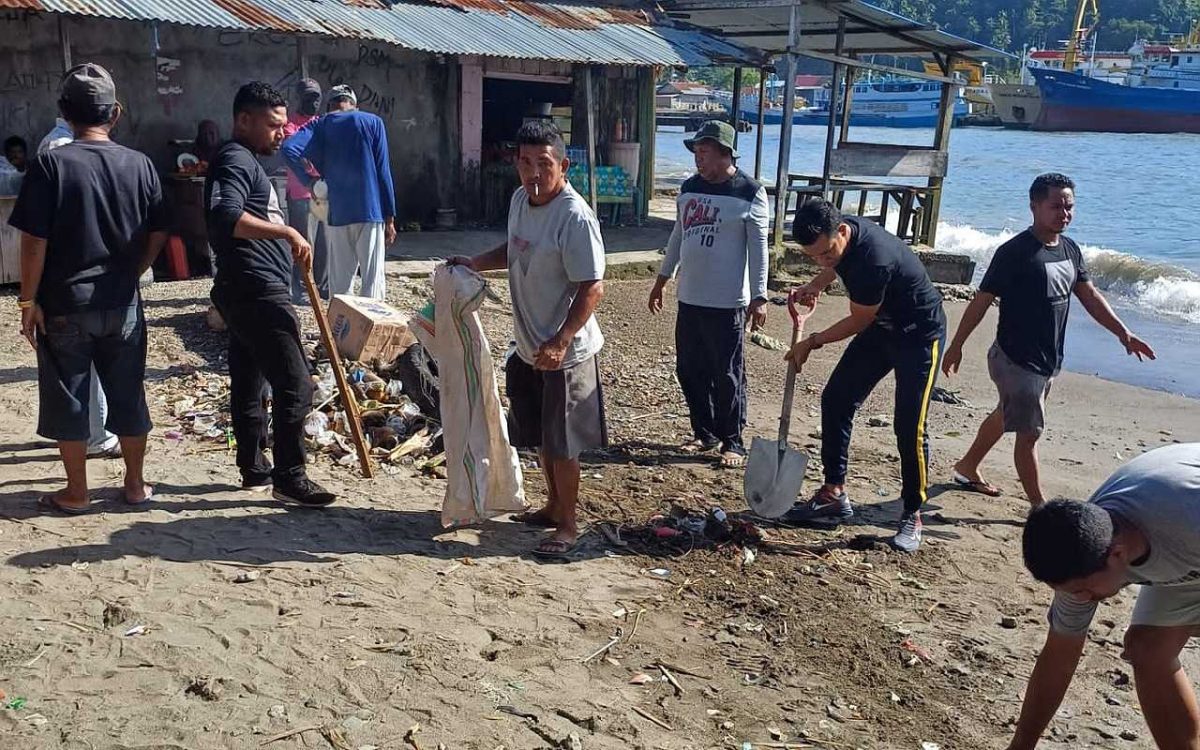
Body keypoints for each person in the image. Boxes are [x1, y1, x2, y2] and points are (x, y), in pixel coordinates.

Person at [8, 63, 167, 514]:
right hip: (122, 303)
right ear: (114, 113)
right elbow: (159, 232)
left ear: (64, 112)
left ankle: (76, 493)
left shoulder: (50, 165)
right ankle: (135, 486)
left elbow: (34, 241)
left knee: (70, 397)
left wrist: (27, 299)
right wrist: (134, 269)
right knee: (128, 392)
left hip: (64, 305)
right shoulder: (141, 165)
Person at [942, 174, 1155, 507]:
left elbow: (1089, 295)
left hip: (1048, 359)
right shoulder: (1014, 253)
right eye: (1056, 206)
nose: (1064, 213)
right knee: (1030, 434)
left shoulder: (1070, 249)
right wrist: (956, 346)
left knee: (1007, 412)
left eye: (1069, 206)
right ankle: (1040, 508)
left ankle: (967, 466)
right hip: (1015, 359)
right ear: (1034, 206)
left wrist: (1123, 333)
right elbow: (981, 301)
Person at [449, 121, 607, 560]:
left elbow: (593, 286)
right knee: (539, 435)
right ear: (515, 163)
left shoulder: (574, 216)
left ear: (563, 165)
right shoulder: (521, 199)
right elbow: (516, 248)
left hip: (566, 351)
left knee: (563, 443)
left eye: (544, 164)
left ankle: (570, 524)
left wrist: (561, 340)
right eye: (525, 162)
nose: (533, 173)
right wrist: (476, 262)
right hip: (527, 344)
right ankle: (552, 506)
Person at [1006, 443, 1200, 750]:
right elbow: (1059, 657)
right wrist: (1022, 745)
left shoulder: (1188, 516)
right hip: (1183, 557)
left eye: (1084, 590)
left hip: (1187, 530)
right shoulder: (1079, 547)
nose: (1081, 599)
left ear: (1118, 554)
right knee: (1148, 649)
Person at [784, 199, 946, 553]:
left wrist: (812, 342)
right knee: (837, 398)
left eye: (826, 252)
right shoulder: (839, 235)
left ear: (842, 231)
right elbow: (835, 265)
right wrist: (816, 283)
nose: (823, 260)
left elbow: (859, 321)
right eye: (814, 256)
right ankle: (833, 493)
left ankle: (912, 512)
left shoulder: (874, 260)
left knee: (909, 425)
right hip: (884, 328)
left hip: (920, 335)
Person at [206, 81, 336, 507]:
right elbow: (226, 216)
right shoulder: (235, 159)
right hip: (254, 285)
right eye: (272, 125)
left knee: (249, 376)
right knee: (295, 381)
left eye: (283, 125)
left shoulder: (243, 160)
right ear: (243, 120)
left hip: (243, 286)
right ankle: (290, 475)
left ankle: (254, 467)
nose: (282, 133)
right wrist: (285, 230)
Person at [648, 121, 769, 469]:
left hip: (727, 301)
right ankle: (704, 433)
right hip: (690, 297)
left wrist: (759, 296)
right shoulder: (688, 188)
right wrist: (663, 277)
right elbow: (678, 235)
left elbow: (759, 249)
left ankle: (733, 440)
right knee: (689, 369)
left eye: (704, 153)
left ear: (725, 153)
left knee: (727, 373)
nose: (698, 160)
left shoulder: (749, 192)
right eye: (696, 153)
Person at [281, 84, 395, 300]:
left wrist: (309, 181)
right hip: (370, 211)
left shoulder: (322, 124)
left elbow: (288, 149)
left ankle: (339, 330)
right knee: (372, 280)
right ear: (353, 104)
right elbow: (383, 172)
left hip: (337, 212)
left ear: (330, 105)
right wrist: (389, 217)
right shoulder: (373, 122)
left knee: (340, 281)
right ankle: (371, 329)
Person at [282, 79, 329, 304]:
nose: (313, 102)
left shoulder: (321, 123)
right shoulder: (291, 126)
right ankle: (301, 289)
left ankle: (323, 287)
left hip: (322, 196)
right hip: (300, 195)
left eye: (317, 97)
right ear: (298, 99)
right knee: (304, 243)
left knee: (324, 243)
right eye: (308, 97)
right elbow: (294, 151)